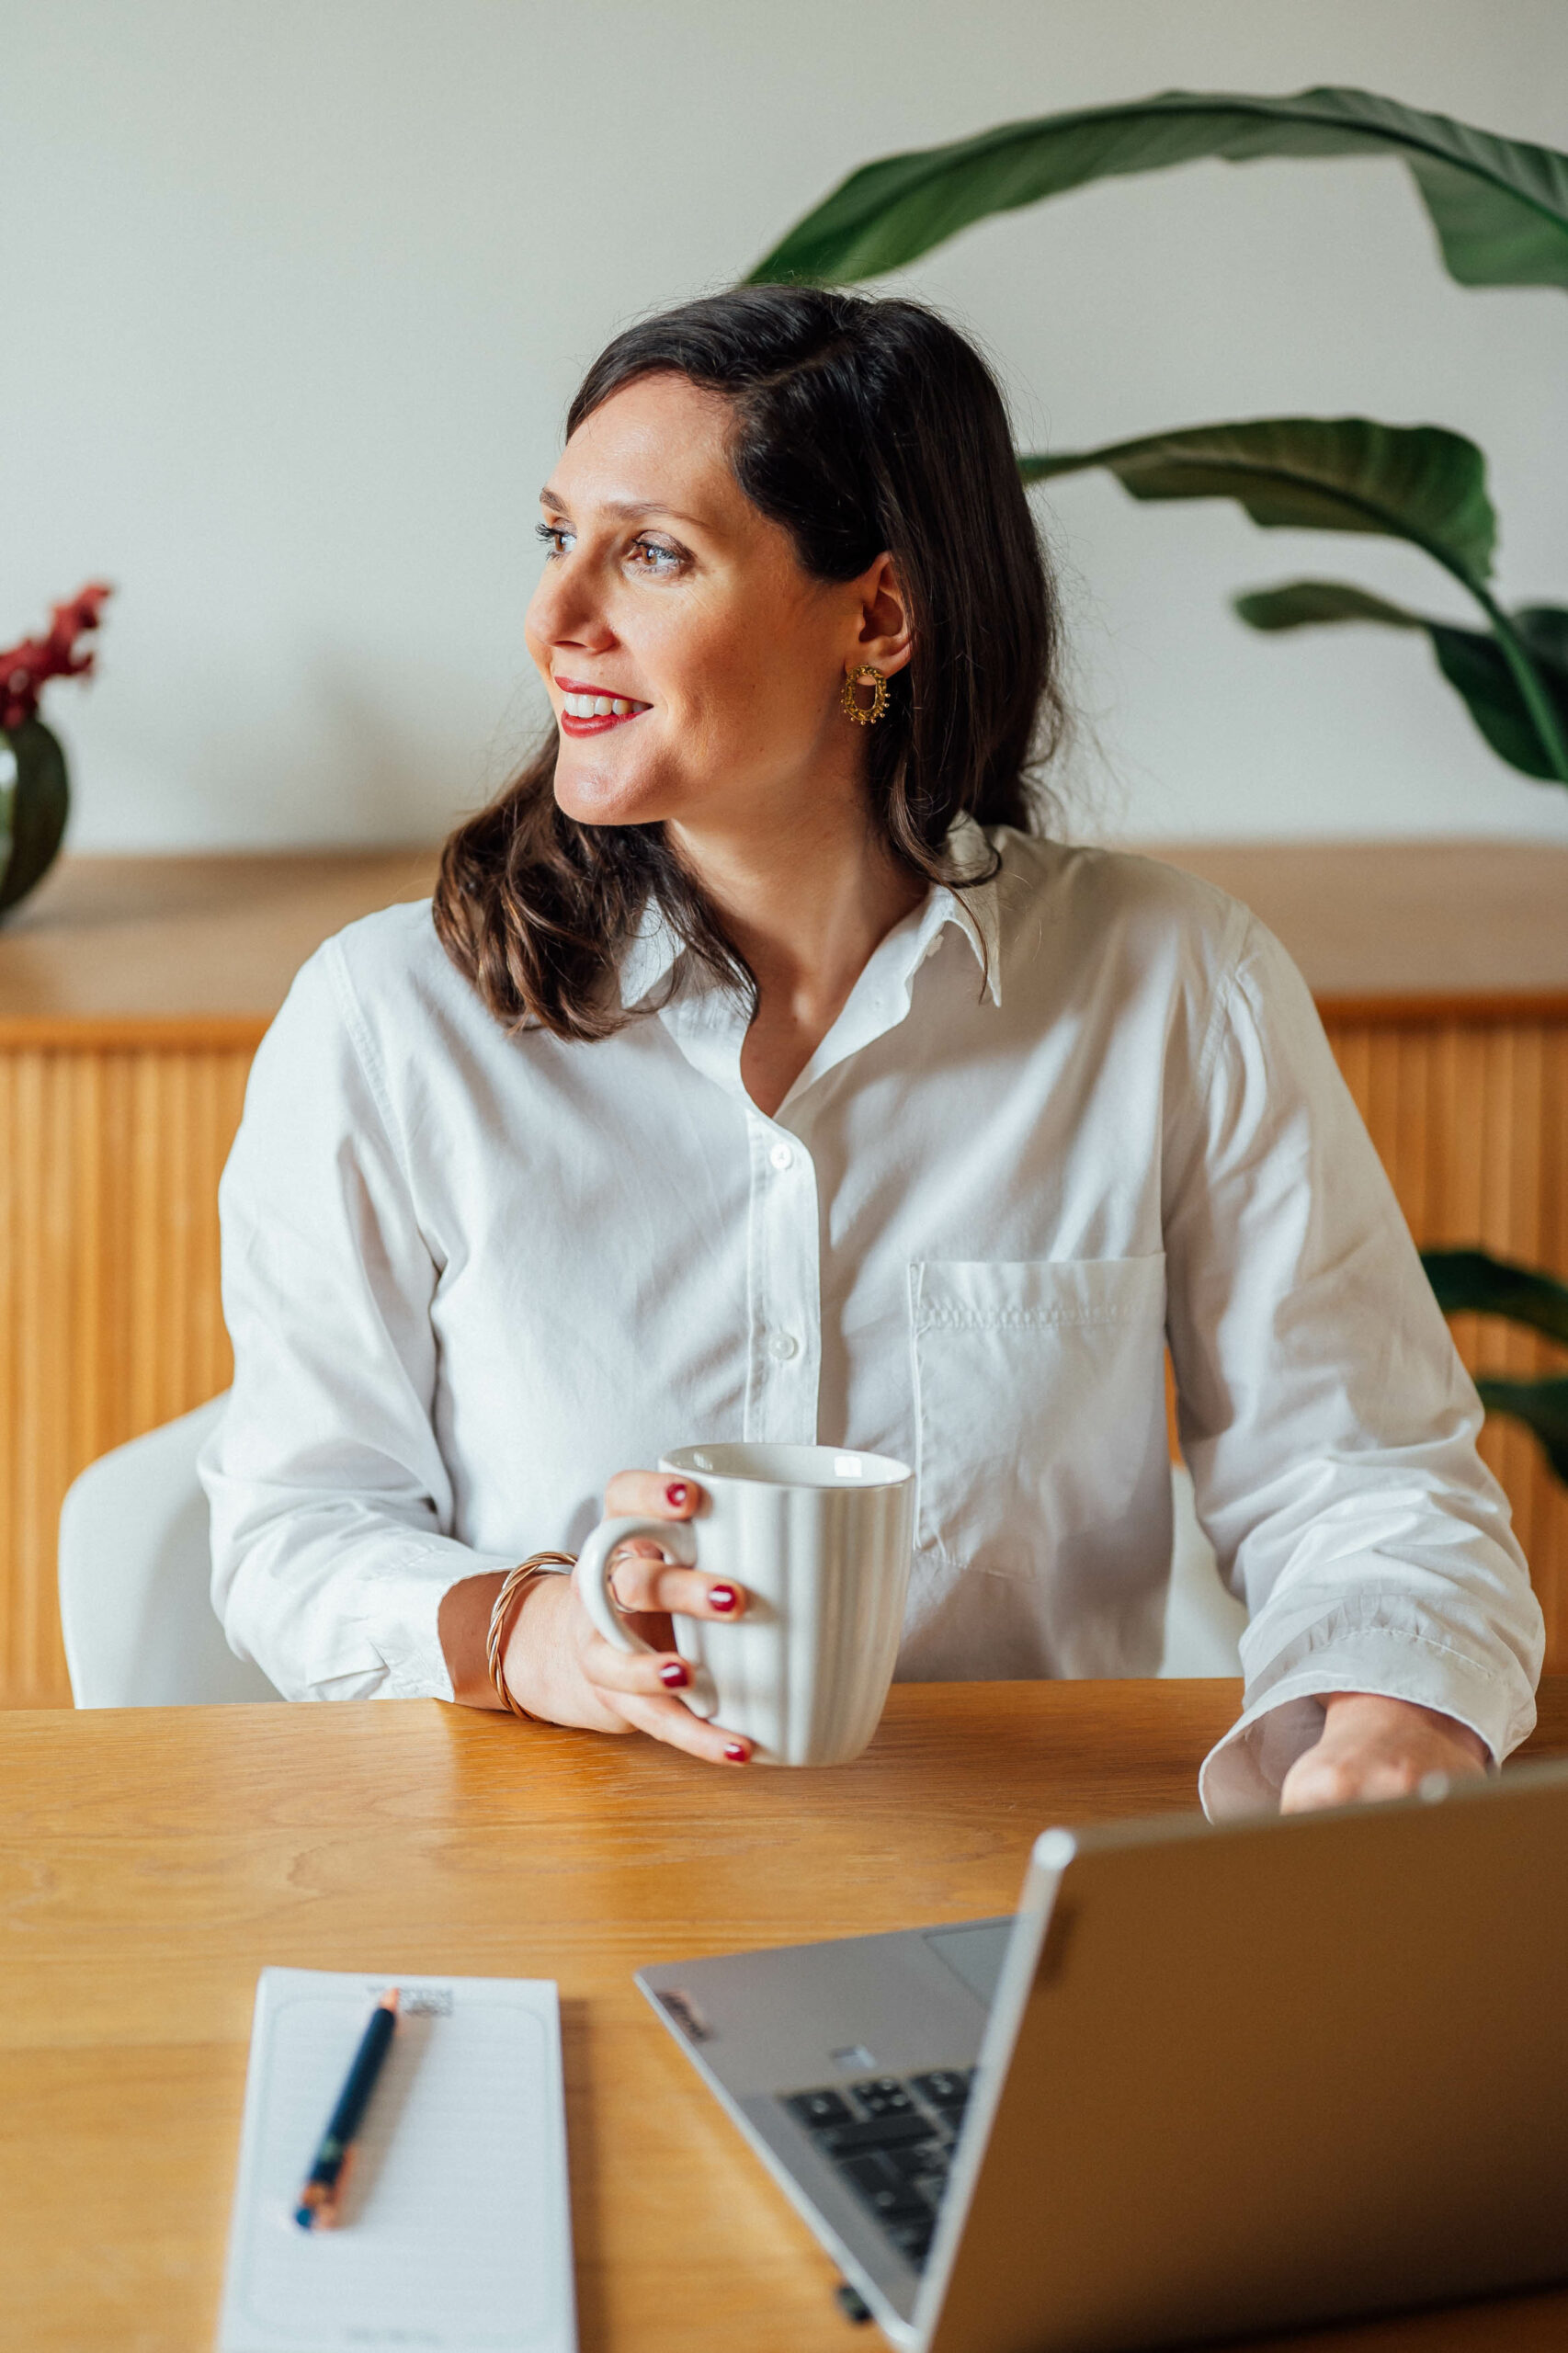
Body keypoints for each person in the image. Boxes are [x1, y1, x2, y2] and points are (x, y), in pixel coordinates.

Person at [201, 287, 1541, 1817]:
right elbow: (296, 1526)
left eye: (650, 553)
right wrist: (535, 1634)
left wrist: (1390, 1719)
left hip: (1014, 1882)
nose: (554, 617)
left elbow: (1361, 1478)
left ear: (877, 616)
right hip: (542, 1870)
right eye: (555, 536)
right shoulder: (389, 1017)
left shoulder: (1174, 983)